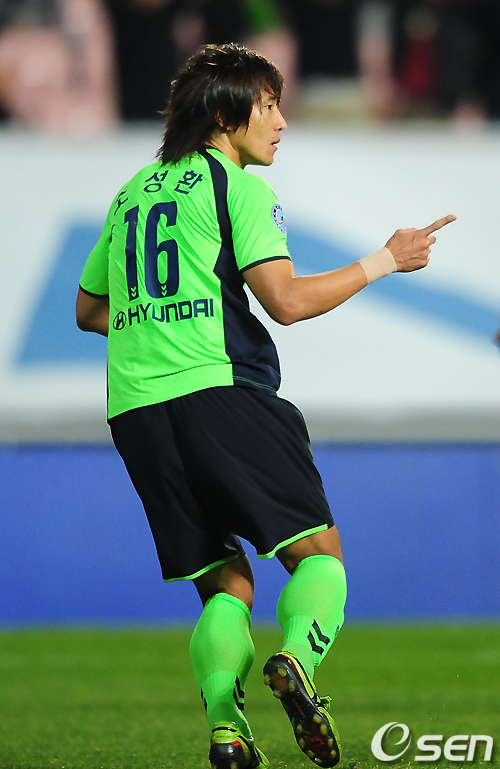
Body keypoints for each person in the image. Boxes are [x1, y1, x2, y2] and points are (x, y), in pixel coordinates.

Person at [76, 42, 456, 769]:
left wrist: (157, 322)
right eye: (269, 105)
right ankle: (298, 663)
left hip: (137, 412)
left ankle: (227, 730)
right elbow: (285, 302)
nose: (281, 121)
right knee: (318, 555)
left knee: (225, 581)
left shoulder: (131, 195)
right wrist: (385, 259)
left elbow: (89, 309)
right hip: (221, 395)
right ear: (225, 116)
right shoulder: (238, 189)